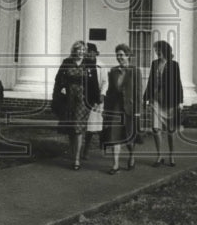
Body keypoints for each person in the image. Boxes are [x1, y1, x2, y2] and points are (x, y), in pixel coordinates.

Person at [52, 40, 101, 169]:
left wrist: (96, 100)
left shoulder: (89, 63)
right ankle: (74, 154)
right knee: (71, 128)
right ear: (74, 50)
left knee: (78, 128)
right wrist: (60, 90)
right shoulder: (67, 62)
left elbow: (94, 83)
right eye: (78, 49)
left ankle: (77, 160)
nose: (81, 52)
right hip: (69, 99)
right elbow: (58, 79)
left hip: (83, 99)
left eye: (83, 50)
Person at [102, 43, 143, 174]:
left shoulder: (135, 71)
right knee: (115, 136)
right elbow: (109, 92)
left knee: (129, 137)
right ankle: (115, 164)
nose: (119, 57)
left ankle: (132, 155)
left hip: (129, 109)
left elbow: (138, 92)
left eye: (121, 55)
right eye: (117, 55)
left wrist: (138, 111)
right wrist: (106, 110)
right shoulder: (113, 71)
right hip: (115, 108)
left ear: (128, 55)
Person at [144, 39, 183, 167]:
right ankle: (160, 155)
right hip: (156, 100)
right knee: (156, 129)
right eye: (156, 50)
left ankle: (171, 155)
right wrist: (146, 98)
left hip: (170, 101)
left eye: (159, 50)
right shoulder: (154, 64)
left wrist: (180, 101)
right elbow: (150, 81)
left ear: (166, 50)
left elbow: (178, 83)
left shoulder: (174, 65)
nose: (157, 52)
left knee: (170, 130)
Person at [81, 43, 105, 161]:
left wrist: (102, 94)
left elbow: (106, 82)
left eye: (92, 52)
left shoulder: (101, 66)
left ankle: (103, 145)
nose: (89, 54)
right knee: (89, 127)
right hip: (86, 99)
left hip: (98, 99)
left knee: (100, 125)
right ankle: (86, 150)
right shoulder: (82, 65)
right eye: (87, 52)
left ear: (96, 53)